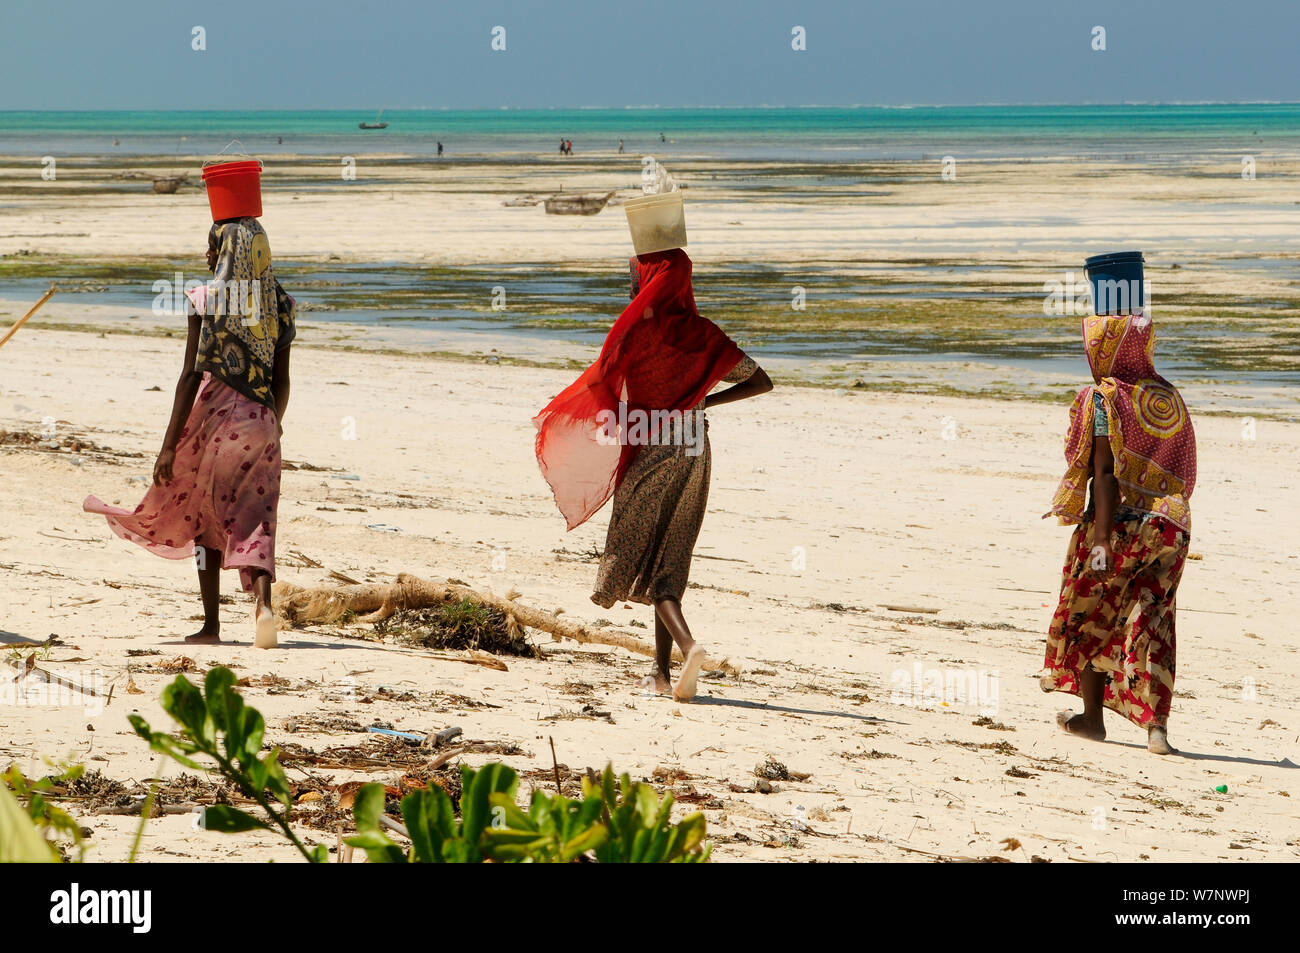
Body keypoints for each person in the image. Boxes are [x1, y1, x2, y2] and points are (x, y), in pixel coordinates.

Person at [533, 249, 772, 701]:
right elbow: (762, 382)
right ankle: (662, 674)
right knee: (673, 552)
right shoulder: (704, 334)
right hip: (695, 450)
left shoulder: (635, 337)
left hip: (651, 448)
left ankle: (688, 648)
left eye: (635, 276)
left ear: (651, 282)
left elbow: (602, 385)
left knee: (637, 546)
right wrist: (702, 402)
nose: (631, 284)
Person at [84, 218, 295, 646]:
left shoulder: (204, 299)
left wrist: (167, 448)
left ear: (229, 251)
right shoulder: (281, 303)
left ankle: (212, 625)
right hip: (262, 419)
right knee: (257, 519)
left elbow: (188, 376)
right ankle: (264, 607)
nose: (207, 254)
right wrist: (275, 423)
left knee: (204, 517)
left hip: (217, 416)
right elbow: (282, 380)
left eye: (214, 244)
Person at [1042, 310, 1196, 755]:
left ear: (1106, 349)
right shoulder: (1169, 397)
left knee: (1092, 615)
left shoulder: (1102, 399)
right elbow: (1185, 468)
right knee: (1154, 621)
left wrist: (1103, 539)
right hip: (1171, 525)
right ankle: (1157, 730)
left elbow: (1104, 475)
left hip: (1121, 521)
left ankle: (1092, 719)